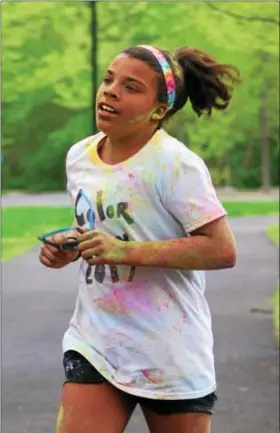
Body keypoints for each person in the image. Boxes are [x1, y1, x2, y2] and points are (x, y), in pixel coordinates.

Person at [39, 44, 240, 433]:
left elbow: (221, 249)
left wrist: (125, 251)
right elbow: (104, 228)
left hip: (169, 349)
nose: (111, 90)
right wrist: (71, 245)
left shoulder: (175, 164)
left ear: (158, 111)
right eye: (109, 79)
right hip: (96, 340)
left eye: (131, 87)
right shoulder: (79, 158)